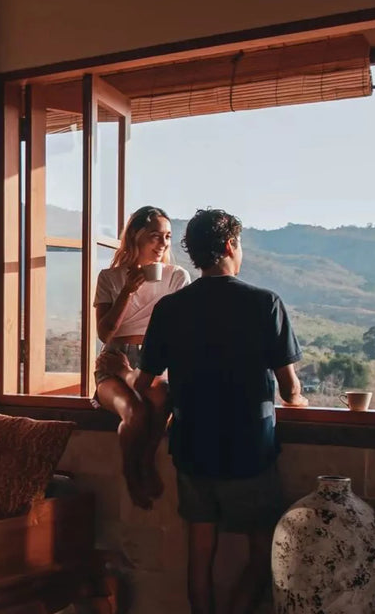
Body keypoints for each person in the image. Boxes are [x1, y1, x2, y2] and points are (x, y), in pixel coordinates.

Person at [133, 208, 308, 614]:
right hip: (249, 451)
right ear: (230, 245)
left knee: (200, 556)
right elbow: (290, 388)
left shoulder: (170, 309)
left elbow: (144, 383)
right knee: (264, 554)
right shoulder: (265, 304)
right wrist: (297, 401)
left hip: (192, 449)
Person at [93, 205, 191, 509]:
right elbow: (105, 334)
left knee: (163, 400)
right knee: (134, 412)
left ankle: (146, 462)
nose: (162, 244)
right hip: (114, 361)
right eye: (154, 236)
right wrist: (127, 291)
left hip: (153, 358)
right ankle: (131, 474)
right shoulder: (109, 277)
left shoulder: (177, 277)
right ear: (135, 237)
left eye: (167, 237)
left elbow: (181, 330)